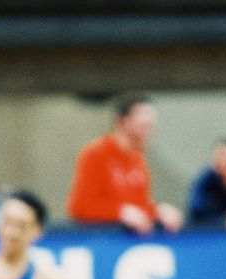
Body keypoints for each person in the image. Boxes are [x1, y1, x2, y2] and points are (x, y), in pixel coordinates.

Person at [65, 95, 183, 233]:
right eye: (143, 125)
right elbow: (80, 207)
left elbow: (137, 207)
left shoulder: (138, 159)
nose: (148, 132)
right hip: (101, 240)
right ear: (123, 121)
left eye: (151, 126)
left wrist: (158, 212)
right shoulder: (96, 154)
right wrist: (120, 212)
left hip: (127, 241)